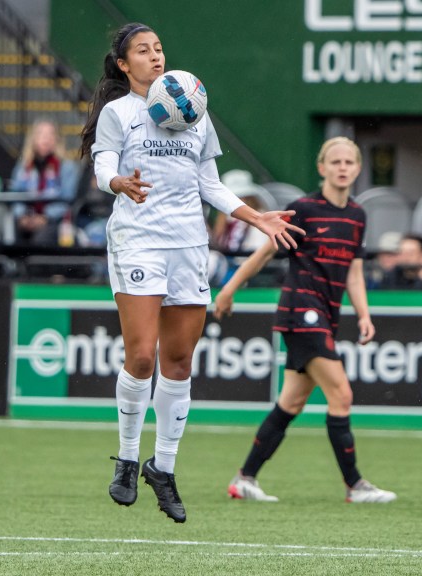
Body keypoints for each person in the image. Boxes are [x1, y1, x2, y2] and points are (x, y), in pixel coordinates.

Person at [81, 22, 303, 523]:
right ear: (124, 65)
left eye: (159, 48)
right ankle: (127, 457)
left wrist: (256, 218)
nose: (155, 56)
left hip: (188, 245)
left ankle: (163, 468)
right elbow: (102, 168)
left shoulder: (194, 109)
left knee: (178, 361)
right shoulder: (119, 113)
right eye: (143, 51)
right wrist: (118, 183)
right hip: (138, 241)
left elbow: (211, 184)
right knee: (141, 356)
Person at [214, 137, 396, 504]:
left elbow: (354, 273)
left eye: (349, 162)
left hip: (326, 315)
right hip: (301, 311)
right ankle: (355, 485)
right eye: (335, 162)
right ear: (322, 168)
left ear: (358, 169)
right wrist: (228, 289)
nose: (342, 167)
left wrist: (364, 314)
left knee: (291, 403)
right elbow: (265, 253)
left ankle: (244, 479)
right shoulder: (304, 210)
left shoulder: (357, 216)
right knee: (341, 394)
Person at [9, 119, 81, 245]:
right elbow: (15, 193)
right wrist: (22, 216)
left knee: (40, 239)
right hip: (26, 219)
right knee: (10, 237)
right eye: (41, 134)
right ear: (33, 139)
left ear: (57, 139)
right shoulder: (24, 166)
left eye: (50, 135)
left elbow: (68, 199)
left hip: (54, 220)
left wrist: (45, 217)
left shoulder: (67, 167)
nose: (45, 139)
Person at [211, 169, 277, 254]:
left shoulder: (259, 218)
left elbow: (258, 251)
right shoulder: (225, 217)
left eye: (239, 197)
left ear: (249, 198)